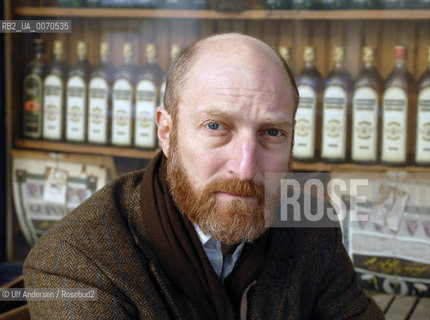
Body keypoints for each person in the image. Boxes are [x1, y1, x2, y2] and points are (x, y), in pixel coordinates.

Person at [24, 33, 384, 319]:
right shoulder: (77, 260)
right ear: (167, 132)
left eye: (272, 132)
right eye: (216, 126)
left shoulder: (312, 227)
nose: (245, 168)